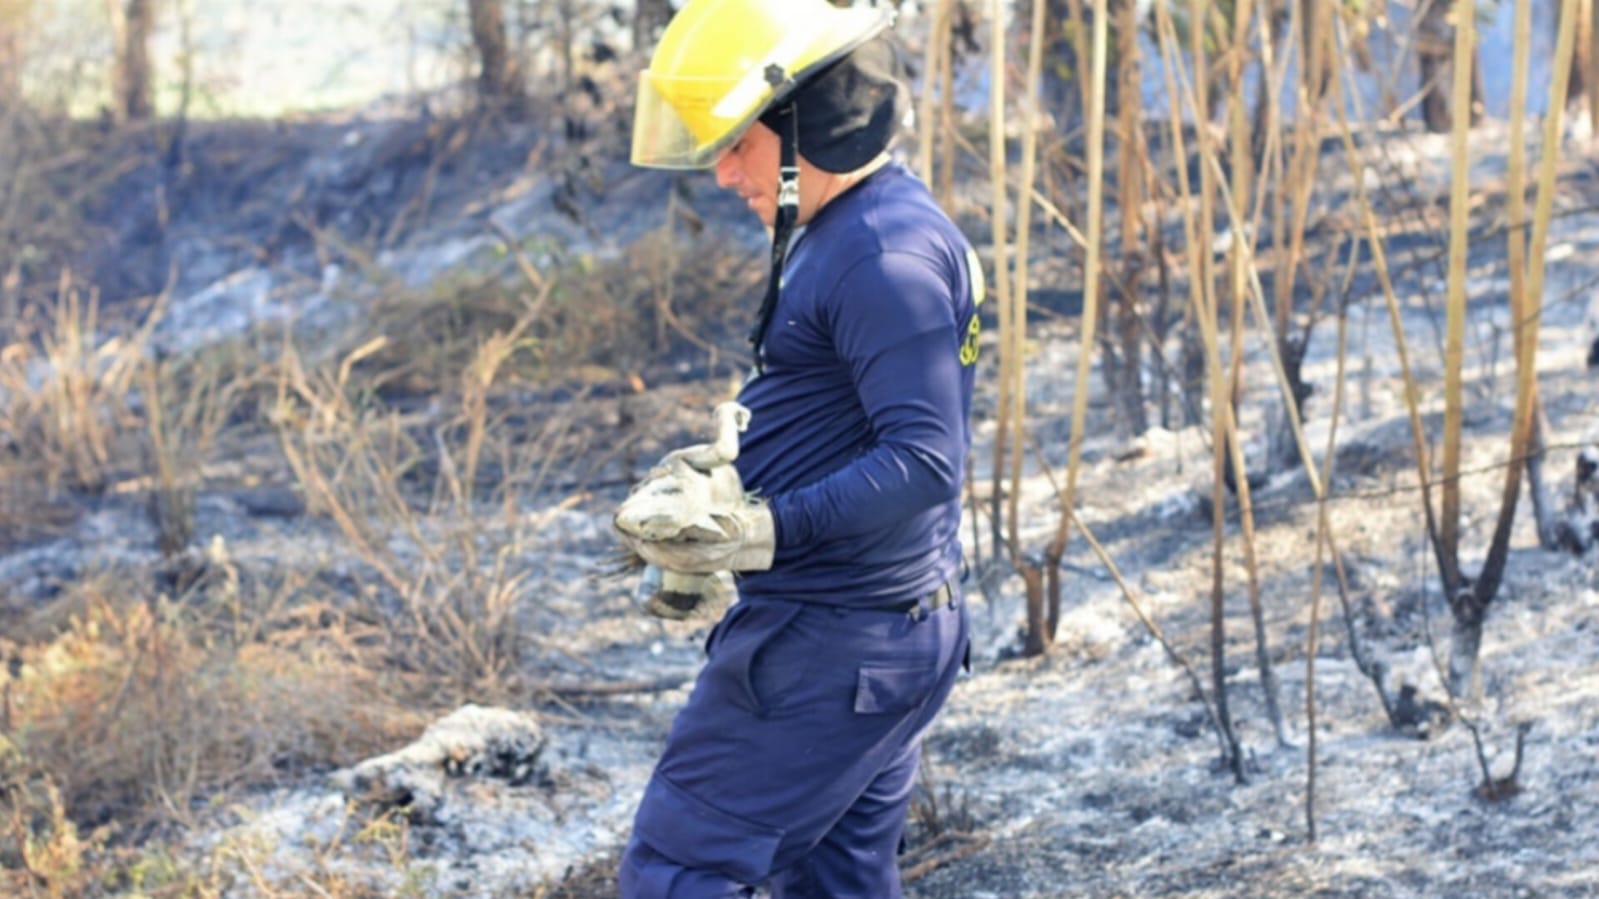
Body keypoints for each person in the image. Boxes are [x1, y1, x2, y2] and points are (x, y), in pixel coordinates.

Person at [616, 0, 983, 894]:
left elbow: (927, 460)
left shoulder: (880, 254)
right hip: (873, 637)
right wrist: (729, 483)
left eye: (738, 141)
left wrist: (758, 530)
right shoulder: (856, 226)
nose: (721, 172)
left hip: (830, 647)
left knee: (678, 871)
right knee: (834, 884)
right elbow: (847, 415)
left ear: (811, 119)